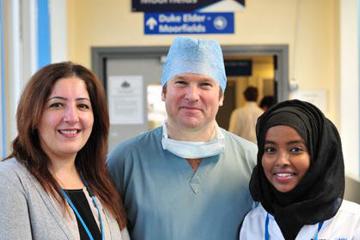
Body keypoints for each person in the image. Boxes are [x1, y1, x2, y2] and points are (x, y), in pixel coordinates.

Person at [107, 37, 257, 240]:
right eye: (181, 83)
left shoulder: (252, 161)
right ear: (164, 91)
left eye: (205, 84)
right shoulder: (125, 160)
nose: (192, 95)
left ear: (220, 96)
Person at [0, 62, 129, 240]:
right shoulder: (10, 180)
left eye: (82, 106)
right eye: (57, 105)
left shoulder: (101, 182)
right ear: (34, 115)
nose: (72, 118)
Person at [239, 99, 360, 239]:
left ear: (319, 156)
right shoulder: (254, 223)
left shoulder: (352, 223)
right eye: (271, 149)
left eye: (295, 149)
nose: (281, 161)